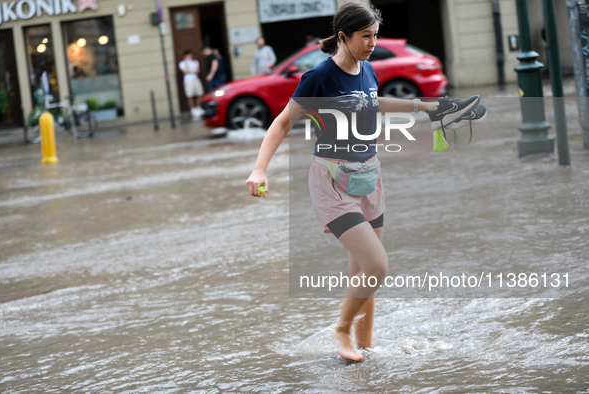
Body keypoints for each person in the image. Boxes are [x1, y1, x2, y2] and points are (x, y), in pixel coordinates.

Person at [246, 1, 480, 362]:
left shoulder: (368, 71)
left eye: (375, 35)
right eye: (366, 36)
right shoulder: (318, 78)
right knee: (377, 265)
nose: (373, 42)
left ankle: (364, 352)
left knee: (365, 278)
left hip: (369, 178)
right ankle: (340, 330)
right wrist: (259, 169)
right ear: (343, 36)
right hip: (332, 181)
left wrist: (430, 107)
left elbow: (374, 103)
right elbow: (280, 123)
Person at [178, 50, 204, 118]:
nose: (190, 57)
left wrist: (191, 71)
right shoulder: (183, 63)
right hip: (188, 81)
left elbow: (197, 71)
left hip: (196, 79)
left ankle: (198, 107)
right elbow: (185, 71)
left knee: (200, 93)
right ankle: (193, 109)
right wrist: (188, 63)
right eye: (188, 55)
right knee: (190, 95)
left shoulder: (195, 62)